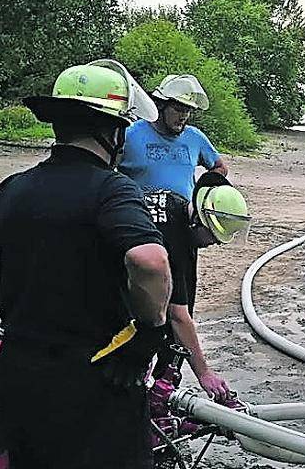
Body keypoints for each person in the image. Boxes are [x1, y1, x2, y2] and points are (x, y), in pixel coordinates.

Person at [0, 60, 172, 468]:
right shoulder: (112, 190)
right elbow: (150, 261)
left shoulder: (13, 188)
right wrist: (148, 335)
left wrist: (8, 298)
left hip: (21, 374)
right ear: (114, 132)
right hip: (97, 376)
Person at [119, 74, 232, 401]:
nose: (183, 115)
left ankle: (167, 379)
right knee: (139, 304)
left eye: (188, 110)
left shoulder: (195, 138)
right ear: (161, 104)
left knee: (181, 305)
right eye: (178, 108)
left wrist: (204, 195)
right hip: (138, 231)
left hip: (180, 233)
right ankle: (133, 372)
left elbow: (218, 167)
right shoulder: (131, 134)